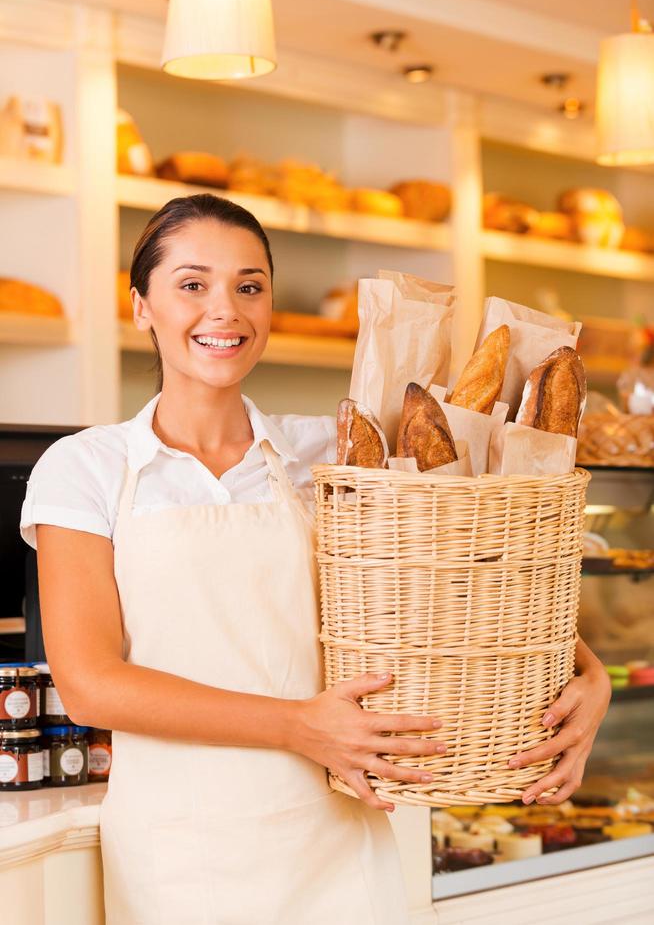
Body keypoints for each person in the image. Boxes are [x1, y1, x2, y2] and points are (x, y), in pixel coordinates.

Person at [20, 194, 610, 924]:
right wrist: (298, 725)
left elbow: (461, 581)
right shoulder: (86, 468)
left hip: (342, 850)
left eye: (249, 286)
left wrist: (586, 676)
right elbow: (92, 685)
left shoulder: (325, 454)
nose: (225, 311)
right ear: (141, 305)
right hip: (180, 856)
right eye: (192, 285)